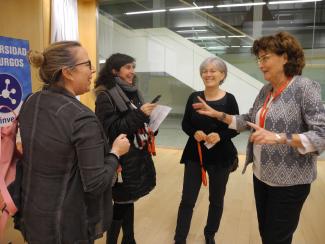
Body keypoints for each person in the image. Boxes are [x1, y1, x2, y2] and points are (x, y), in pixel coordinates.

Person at [193, 32, 325, 244]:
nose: (260, 64)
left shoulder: (304, 87)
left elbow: (321, 134)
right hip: (262, 175)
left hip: (289, 182)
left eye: (265, 58)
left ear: (285, 57)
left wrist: (280, 138)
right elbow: (250, 119)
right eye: (259, 59)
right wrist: (219, 115)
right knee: (266, 234)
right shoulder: (266, 89)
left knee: (276, 238)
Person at [19, 41, 130, 244]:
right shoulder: (82, 118)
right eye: (87, 64)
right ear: (68, 72)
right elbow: (95, 183)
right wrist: (115, 153)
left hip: (34, 214)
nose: (93, 69)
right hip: (67, 226)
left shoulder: (30, 102)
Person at [174, 57, 239, 244]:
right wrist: (194, 132)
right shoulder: (194, 97)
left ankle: (210, 235)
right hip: (195, 154)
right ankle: (180, 238)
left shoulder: (230, 99)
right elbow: (185, 123)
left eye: (213, 70)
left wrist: (220, 136)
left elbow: (235, 127)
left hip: (221, 157)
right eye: (205, 71)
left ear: (222, 75)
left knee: (216, 200)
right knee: (187, 199)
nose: (208, 74)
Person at [95, 53, 157, 244]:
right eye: (127, 67)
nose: (132, 71)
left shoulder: (134, 92)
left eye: (133, 67)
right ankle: (115, 240)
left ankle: (129, 239)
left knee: (127, 199)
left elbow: (138, 124)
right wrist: (140, 114)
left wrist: (152, 124)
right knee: (122, 201)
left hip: (136, 154)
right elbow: (112, 130)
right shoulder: (105, 96)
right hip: (120, 158)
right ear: (114, 70)